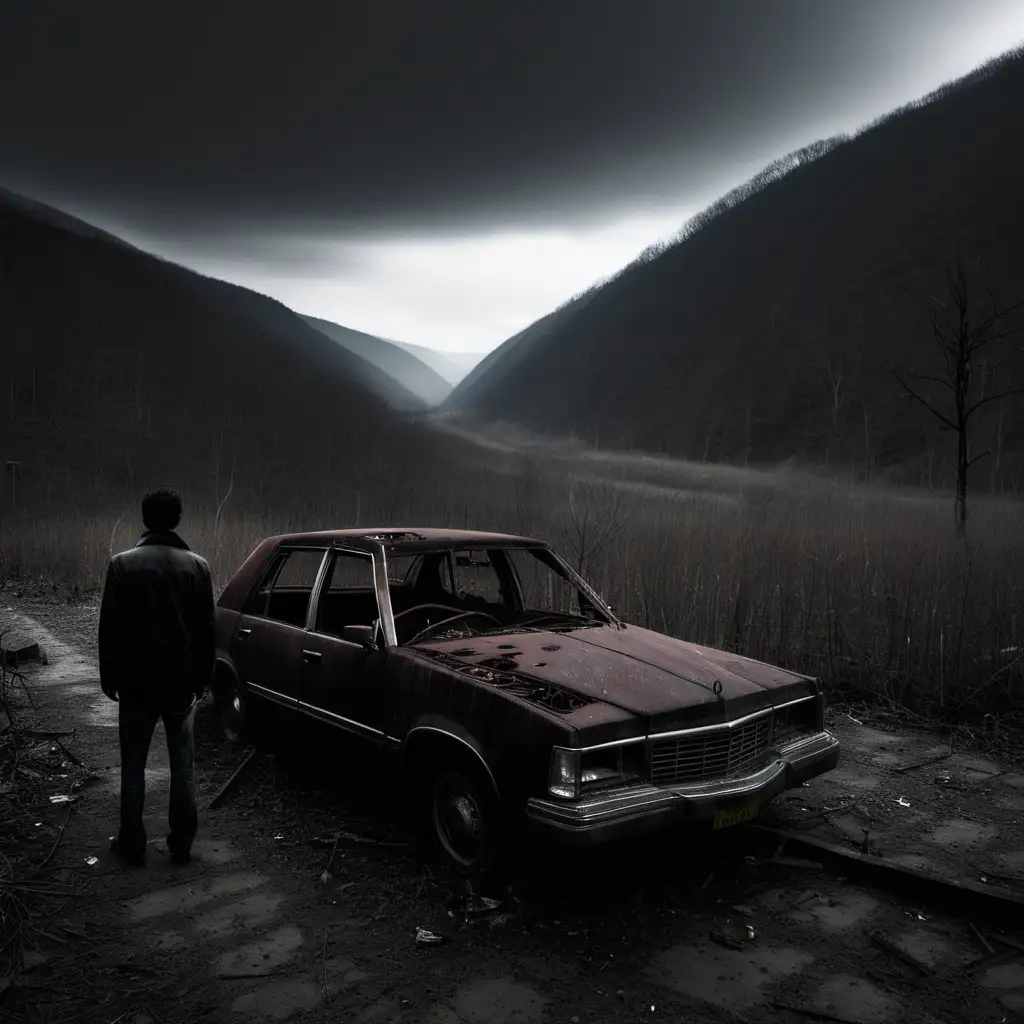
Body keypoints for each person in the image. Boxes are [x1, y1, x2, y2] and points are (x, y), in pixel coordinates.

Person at [98, 487, 215, 867]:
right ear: (177, 520)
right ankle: (181, 844)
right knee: (183, 764)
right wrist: (203, 679)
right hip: (180, 683)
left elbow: (109, 628)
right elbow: (206, 631)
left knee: (133, 765)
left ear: (146, 519)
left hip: (135, 683)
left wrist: (108, 676)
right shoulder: (197, 566)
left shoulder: (121, 564)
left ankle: (132, 843)